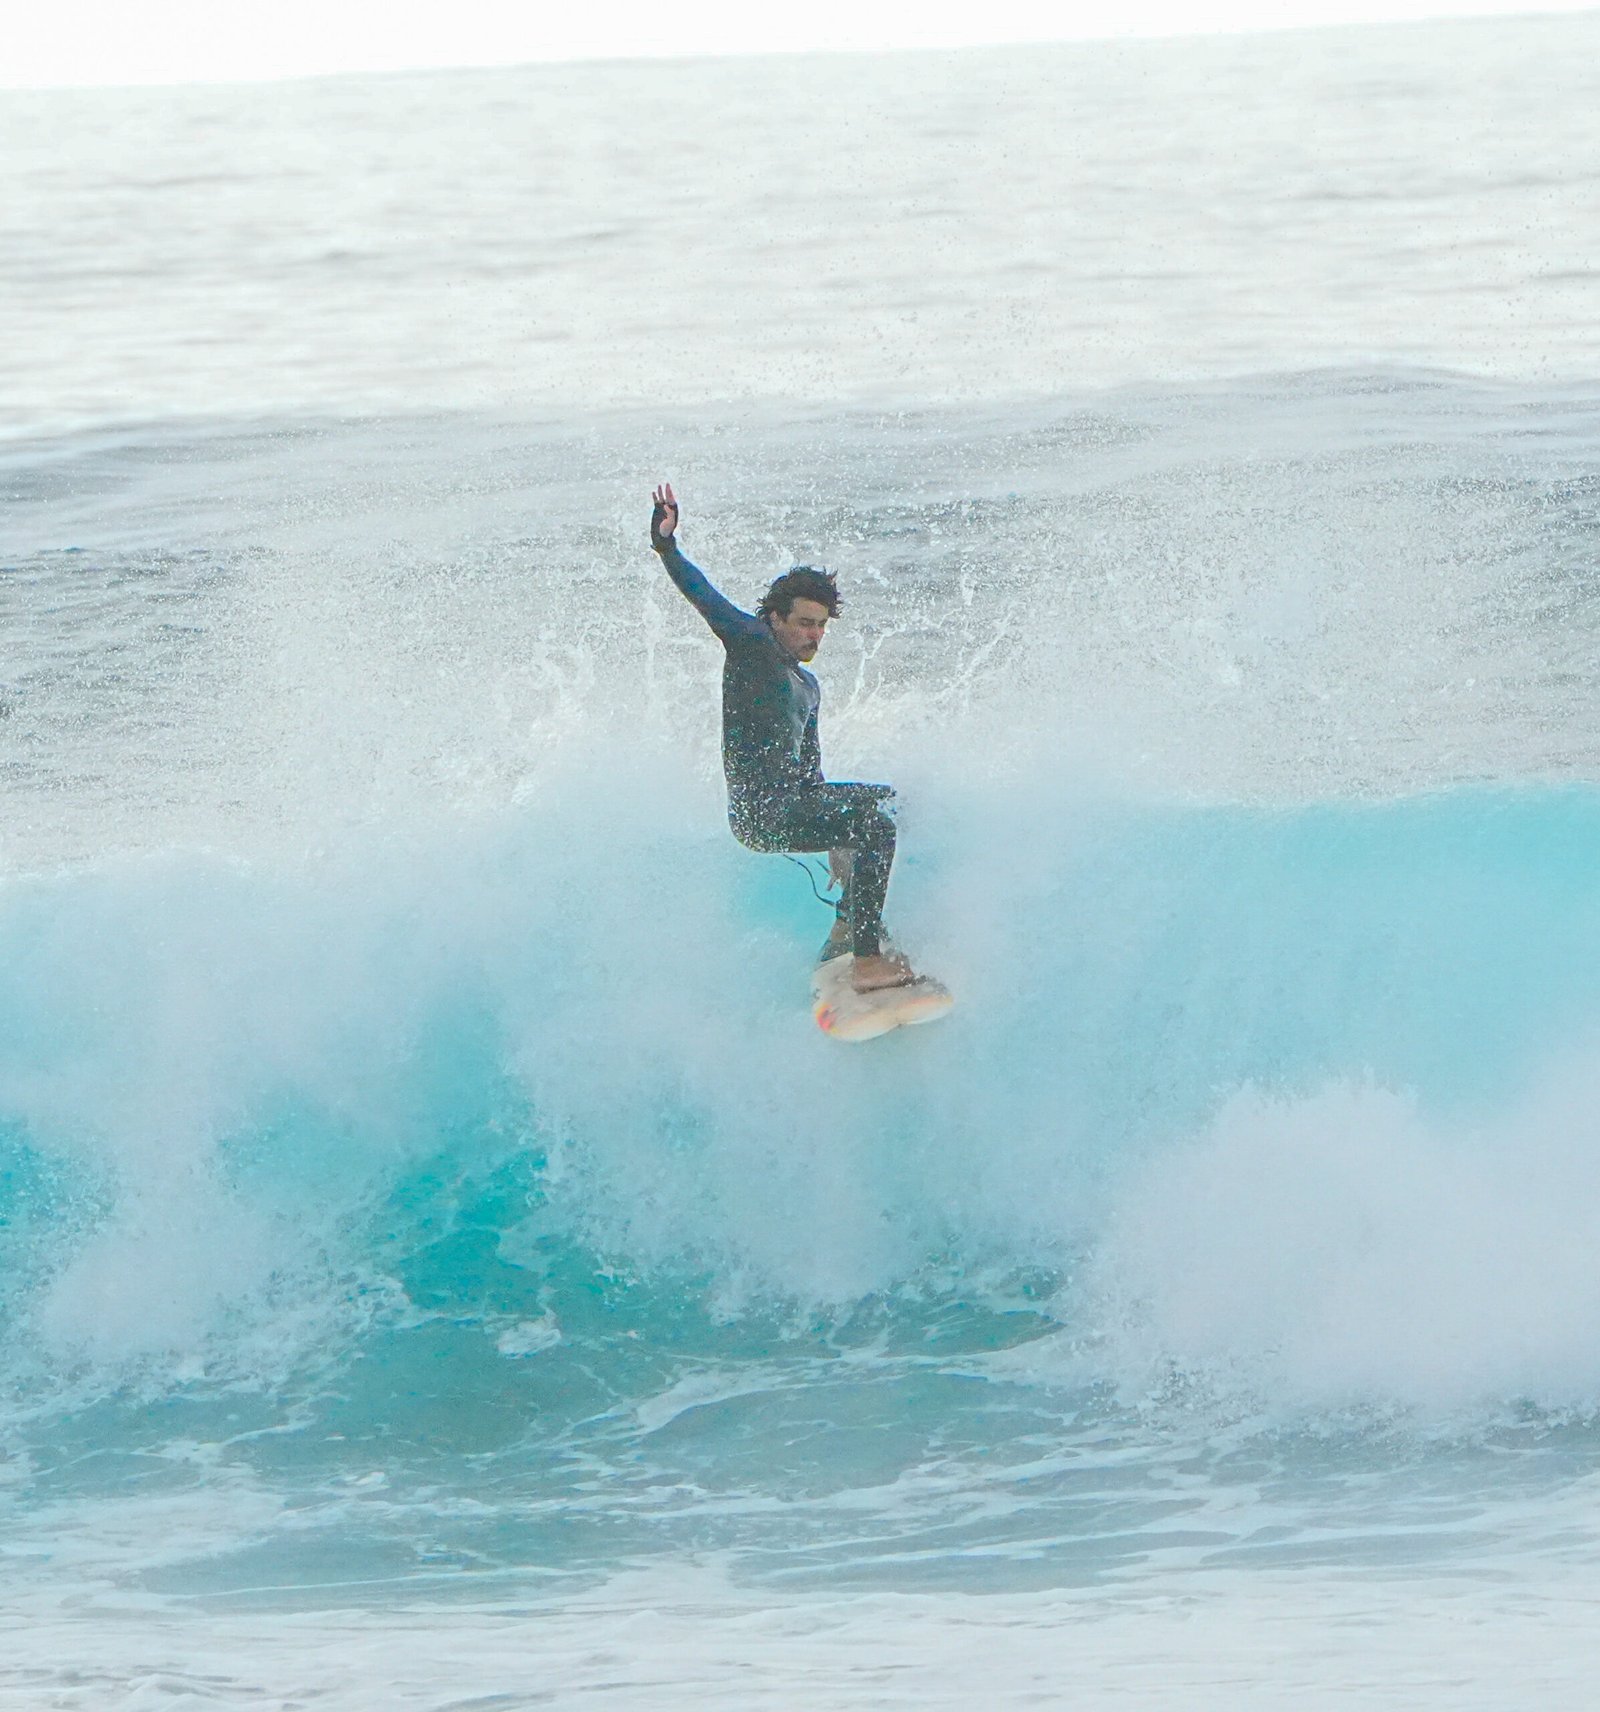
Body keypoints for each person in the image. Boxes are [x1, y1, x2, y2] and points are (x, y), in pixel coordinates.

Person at [650, 482, 917, 994]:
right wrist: (667, 547)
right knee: (878, 823)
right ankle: (866, 961)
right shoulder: (752, 645)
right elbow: (703, 596)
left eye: (820, 626)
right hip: (761, 816)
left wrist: (840, 834)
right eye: (803, 624)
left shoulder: (807, 686)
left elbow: (810, 775)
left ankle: (845, 929)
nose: (812, 636)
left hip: (792, 803)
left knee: (890, 805)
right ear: (775, 618)